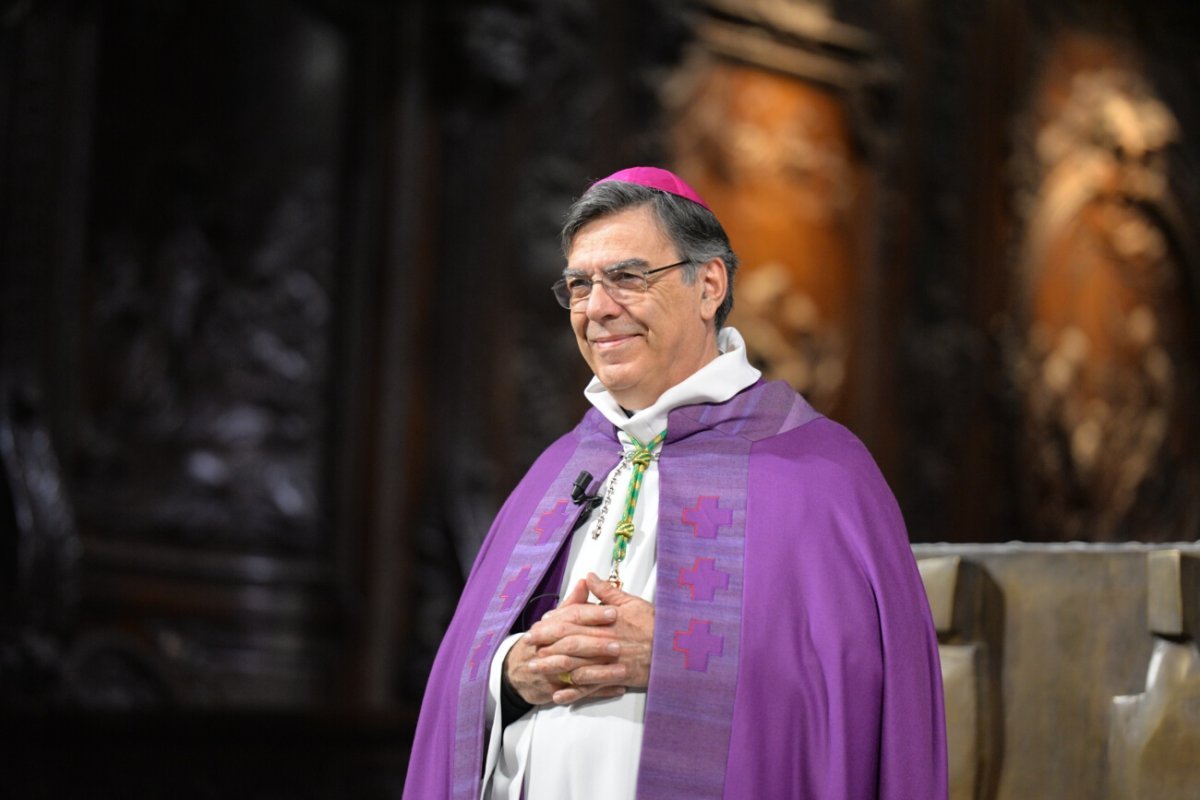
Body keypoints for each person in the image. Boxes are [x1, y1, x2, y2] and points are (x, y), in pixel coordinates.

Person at [403, 166, 947, 800]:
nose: (598, 308)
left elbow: (860, 700)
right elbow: (458, 678)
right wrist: (510, 672)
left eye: (628, 277)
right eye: (579, 286)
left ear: (708, 284)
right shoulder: (560, 470)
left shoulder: (820, 474)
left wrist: (683, 655)